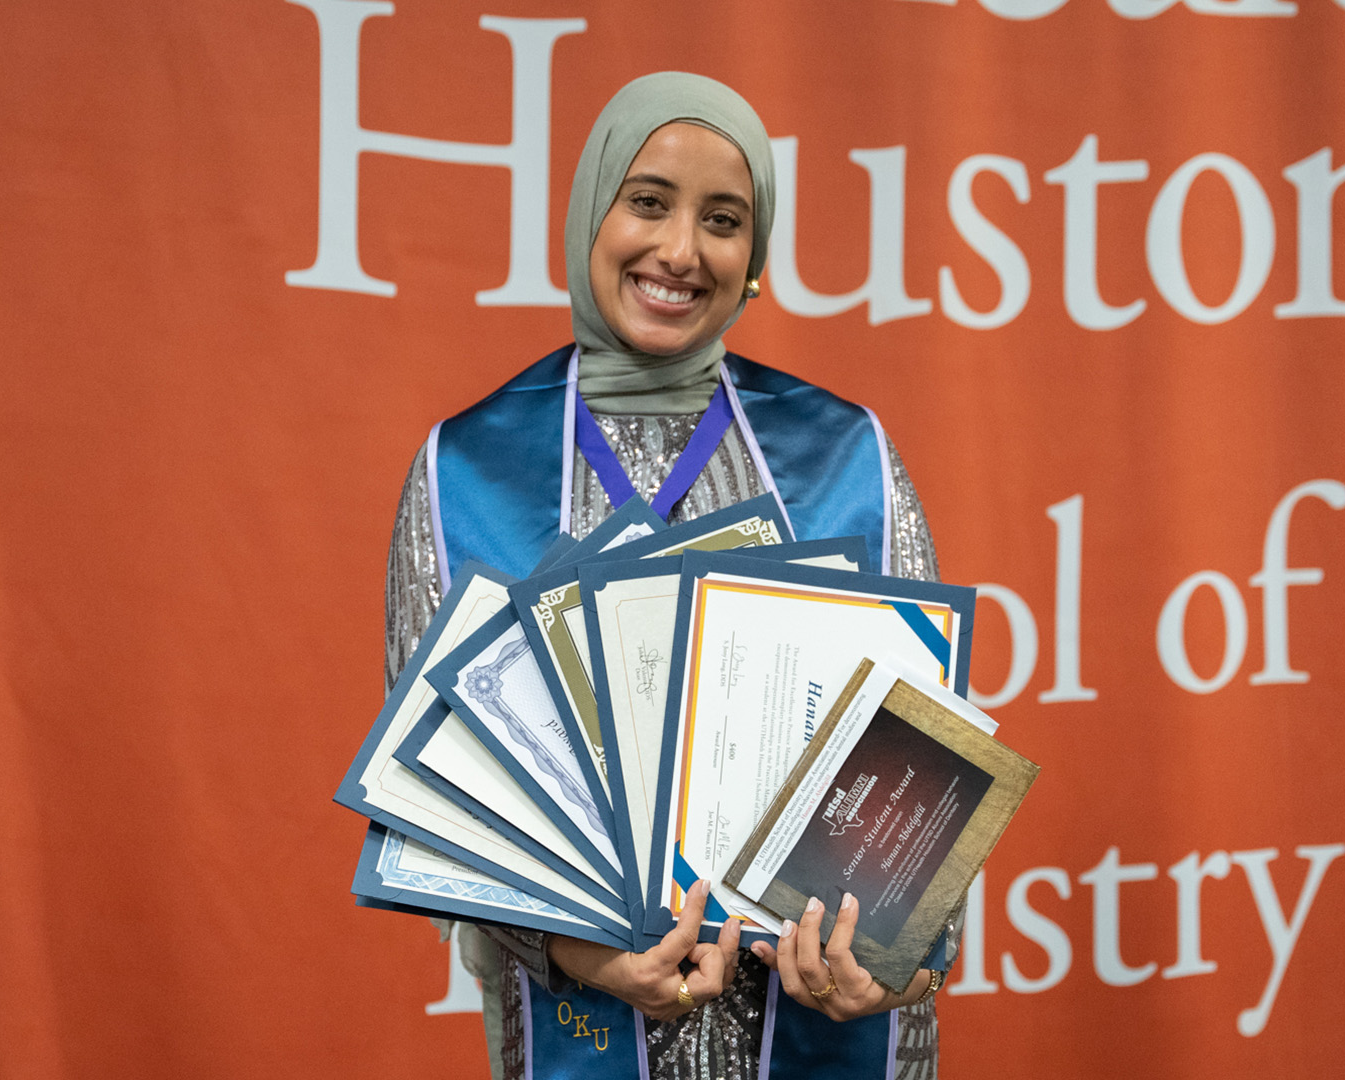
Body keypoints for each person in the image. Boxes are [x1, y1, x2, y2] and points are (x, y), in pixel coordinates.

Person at [383, 72, 954, 1080]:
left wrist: (895, 968)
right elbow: (443, 805)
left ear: (757, 258)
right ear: (589, 211)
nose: (680, 251)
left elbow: (927, 778)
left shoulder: (844, 456)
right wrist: (571, 948)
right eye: (647, 201)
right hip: (586, 1034)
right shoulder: (466, 469)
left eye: (723, 220)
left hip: (828, 1031)